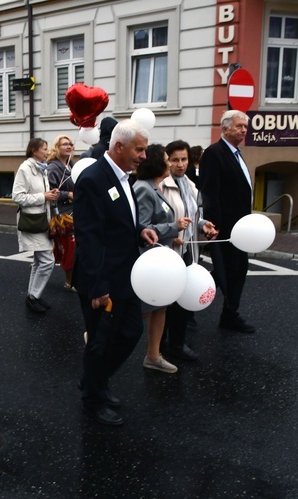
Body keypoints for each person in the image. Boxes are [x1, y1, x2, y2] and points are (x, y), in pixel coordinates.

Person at [73, 119, 158, 426]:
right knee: (100, 341)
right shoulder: (94, 179)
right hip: (103, 281)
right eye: (139, 149)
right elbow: (89, 236)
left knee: (131, 332)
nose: (144, 156)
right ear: (119, 147)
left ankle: (94, 379)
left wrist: (140, 232)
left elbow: (119, 221)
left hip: (126, 276)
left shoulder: (123, 177)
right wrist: (98, 287)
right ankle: (92, 399)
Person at [132, 144, 192, 374]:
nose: (170, 164)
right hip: (150, 261)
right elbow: (142, 228)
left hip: (160, 257)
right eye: (167, 159)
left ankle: (153, 356)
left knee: (160, 307)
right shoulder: (144, 189)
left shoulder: (154, 187)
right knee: (143, 309)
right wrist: (173, 227)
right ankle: (102, 331)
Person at [198, 110, 255, 334]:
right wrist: (214, 224)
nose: (243, 130)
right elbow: (210, 191)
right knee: (227, 271)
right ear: (225, 128)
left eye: (245, 126)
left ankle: (229, 313)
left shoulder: (236, 153)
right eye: (239, 126)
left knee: (238, 269)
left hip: (242, 228)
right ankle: (189, 303)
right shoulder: (214, 153)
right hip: (225, 228)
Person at [161, 140, 217, 361]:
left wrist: (203, 225)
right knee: (169, 301)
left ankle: (175, 343)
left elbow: (193, 214)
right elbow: (157, 219)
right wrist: (170, 235)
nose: (180, 164)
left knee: (182, 300)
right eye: (175, 160)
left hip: (188, 250)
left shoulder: (189, 184)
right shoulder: (162, 185)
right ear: (168, 161)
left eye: (184, 159)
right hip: (169, 251)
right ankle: (165, 345)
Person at [12, 138, 59, 314]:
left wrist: (50, 195)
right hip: (32, 222)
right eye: (44, 149)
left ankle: (33, 296)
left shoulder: (42, 168)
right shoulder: (26, 169)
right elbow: (17, 197)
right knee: (48, 261)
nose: (47, 152)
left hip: (42, 220)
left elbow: (41, 193)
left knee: (39, 261)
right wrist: (43, 197)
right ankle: (33, 297)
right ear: (34, 151)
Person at [46, 135, 76, 292]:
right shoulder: (53, 167)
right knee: (68, 247)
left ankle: (74, 279)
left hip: (75, 211)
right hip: (62, 214)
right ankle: (69, 281)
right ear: (57, 147)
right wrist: (68, 195)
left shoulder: (72, 164)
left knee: (76, 247)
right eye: (65, 144)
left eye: (70, 144)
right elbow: (50, 192)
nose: (69, 146)